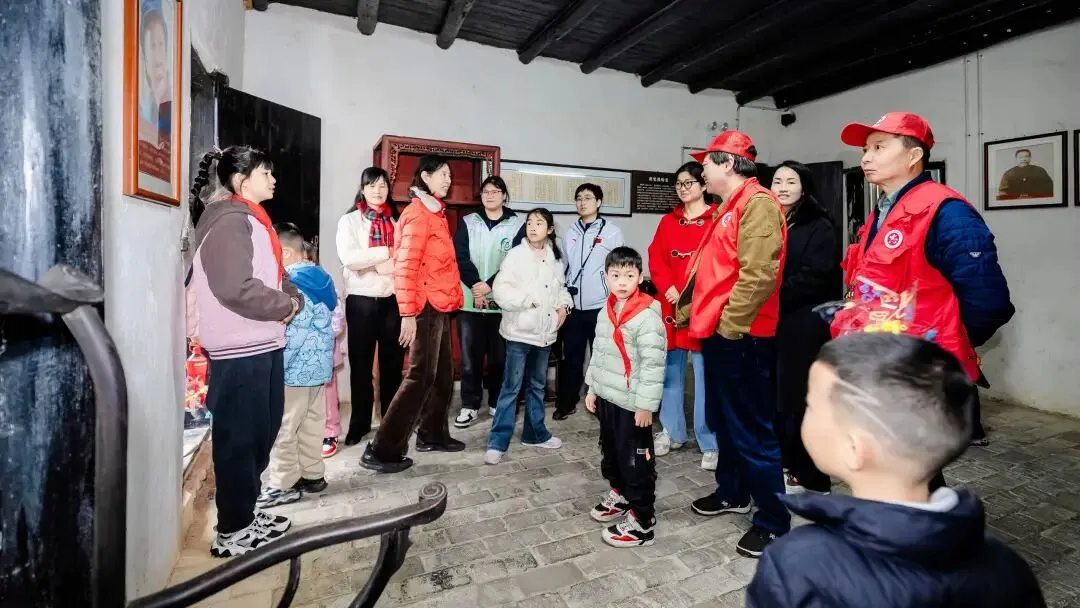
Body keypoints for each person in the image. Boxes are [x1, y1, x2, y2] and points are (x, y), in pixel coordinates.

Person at [745, 333, 1045, 608]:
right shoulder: (1007, 567)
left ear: (853, 448)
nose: (803, 414)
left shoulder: (797, 565)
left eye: (810, 406)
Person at [835, 112, 1014, 453]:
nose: (866, 158)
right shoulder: (882, 211)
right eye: (865, 150)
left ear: (914, 155)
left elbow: (989, 302)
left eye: (878, 147)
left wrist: (946, 343)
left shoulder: (948, 212)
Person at [677, 131, 789, 558]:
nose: (701, 171)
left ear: (727, 164)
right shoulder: (730, 205)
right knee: (724, 421)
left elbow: (758, 275)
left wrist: (730, 327)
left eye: (706, 163)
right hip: (721, 333)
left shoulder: (758, 204)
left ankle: (773, 521)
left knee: (752, 428)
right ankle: (733, 492)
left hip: (743, 335)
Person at [185, 145, 299, 557]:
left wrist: (290, 295)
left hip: (259, 341)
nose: (274, 180)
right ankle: (232, 531)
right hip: (239, 348)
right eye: (266, 172)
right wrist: (286, 305)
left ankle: (246, 515)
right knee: (240, 441)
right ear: (241, 180)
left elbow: (270, 275)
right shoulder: (231, 221)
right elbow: (235, 287)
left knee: (258, 435)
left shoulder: (250, 219)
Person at [361, 156, 465, 474]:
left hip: (439, 304)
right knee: (420, 376)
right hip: (424, 307)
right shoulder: (418, 214)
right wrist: (408, 313)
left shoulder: (434, 212)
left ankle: (432, 434)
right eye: (442, 174)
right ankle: (382, 449)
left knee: (443, 376)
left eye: (450, 175)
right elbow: (405, 267)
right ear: (425, 177)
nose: (448, 180)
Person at [584, 247, 666, 548]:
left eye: (629, 275)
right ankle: (620, 494)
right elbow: (599, 355)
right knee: (612, 453)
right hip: (609, 399)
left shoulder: (646, 318)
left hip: (633, 404)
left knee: (636, 461)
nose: (622, 281)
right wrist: (592, 388)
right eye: (616, 275)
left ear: (640, 278)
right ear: (606, 278)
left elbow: (654, 366)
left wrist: (646, 406)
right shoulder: (605, 312)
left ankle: (643, 522)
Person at [770, 161, 842, 495]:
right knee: (780, 398)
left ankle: (812, 476)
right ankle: (789, 464)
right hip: (775, 321)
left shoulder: (818, 224)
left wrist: (768, 295)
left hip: (804, 321)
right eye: (777, 181)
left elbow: (815, 276)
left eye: (791, 181)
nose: (783, 187)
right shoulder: (771, 220)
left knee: (802, 399)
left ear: (804, 187)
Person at [484, 208, 572, 464]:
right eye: (530, 223)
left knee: (537, 386)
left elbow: (561, 289)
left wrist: (564, 306)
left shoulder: (555, 258)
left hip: (545, 334)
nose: (533, 227)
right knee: (511, 388)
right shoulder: (516, 255)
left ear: (550, 230)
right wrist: (527, 301)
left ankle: (535, 434)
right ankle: (497, 442)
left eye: (539, 223)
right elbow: (500, 290)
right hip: (519, 333)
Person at [257, 227, 337, 508]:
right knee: (311, 424)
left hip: (295, 372)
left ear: (287, 253)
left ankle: (282, 483)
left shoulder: (294, 284)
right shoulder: (321, 278)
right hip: (317, 370)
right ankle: (313, 475)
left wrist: (276, 366)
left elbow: (293, 333)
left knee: (284, 427)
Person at [647, 161, 719, 471]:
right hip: (670, 305)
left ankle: (710, 440)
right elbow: (656, 258)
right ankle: (672, 431)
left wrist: (691, 294)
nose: (683, 188)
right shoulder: (668, 221)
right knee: (670, 372)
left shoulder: (718, 218)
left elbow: (722, 262)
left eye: (689, 182)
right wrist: (668, 288)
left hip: (703, 306)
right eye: (678, 183)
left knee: (705, 376)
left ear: (704, 184)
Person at [336, 167, 403, 447]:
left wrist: (371, 263)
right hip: (361, 300)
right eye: (372, 186)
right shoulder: (350, 220)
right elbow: (349, 258)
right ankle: (359, 424)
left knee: (392, 364)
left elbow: (402, 261)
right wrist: (385, 253)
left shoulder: (396, 221)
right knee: (361, 364)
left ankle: (391, 420)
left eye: (382, 185)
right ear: (362, 189)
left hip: (391, 299)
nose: (378, 191)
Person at [453, 176, 525, 428]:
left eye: (495, 191)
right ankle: (470, 405)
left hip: (502, 302)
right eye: (486, 191)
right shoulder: (468, 221)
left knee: (500, 358)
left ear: (504, 195)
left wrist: (490, 285)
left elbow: (516, 261)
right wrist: (476, 285)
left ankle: (496, 402)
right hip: (470, 301)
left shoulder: (517, 224)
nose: (490, 195)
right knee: (470, 358)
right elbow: (460, 256)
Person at [556, 183, 625, 420]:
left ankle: (601, 404)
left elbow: (618, 269)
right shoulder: (570, 232)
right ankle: (567, 402)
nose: (582, 202)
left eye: (587, 198)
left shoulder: (611, 232)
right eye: (578, 198)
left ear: (598, 202)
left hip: (601, 306)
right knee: (571, 357)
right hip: (574, 307)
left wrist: (616, 301)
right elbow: (564, 267)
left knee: (602, 357)